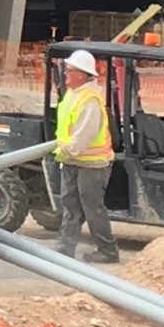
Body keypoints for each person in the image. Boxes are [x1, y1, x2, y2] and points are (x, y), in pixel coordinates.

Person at [54, 47, 120, 264]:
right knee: (70, 205)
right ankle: (65, 248)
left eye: (69, 70)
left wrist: (67, 149)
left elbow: (84, 134)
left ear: (82, 74)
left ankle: (108, 251)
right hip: (72, 160)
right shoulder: (73, 94)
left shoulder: (90, 99)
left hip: (92, 164)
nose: (65, 73)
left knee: (92, 208)